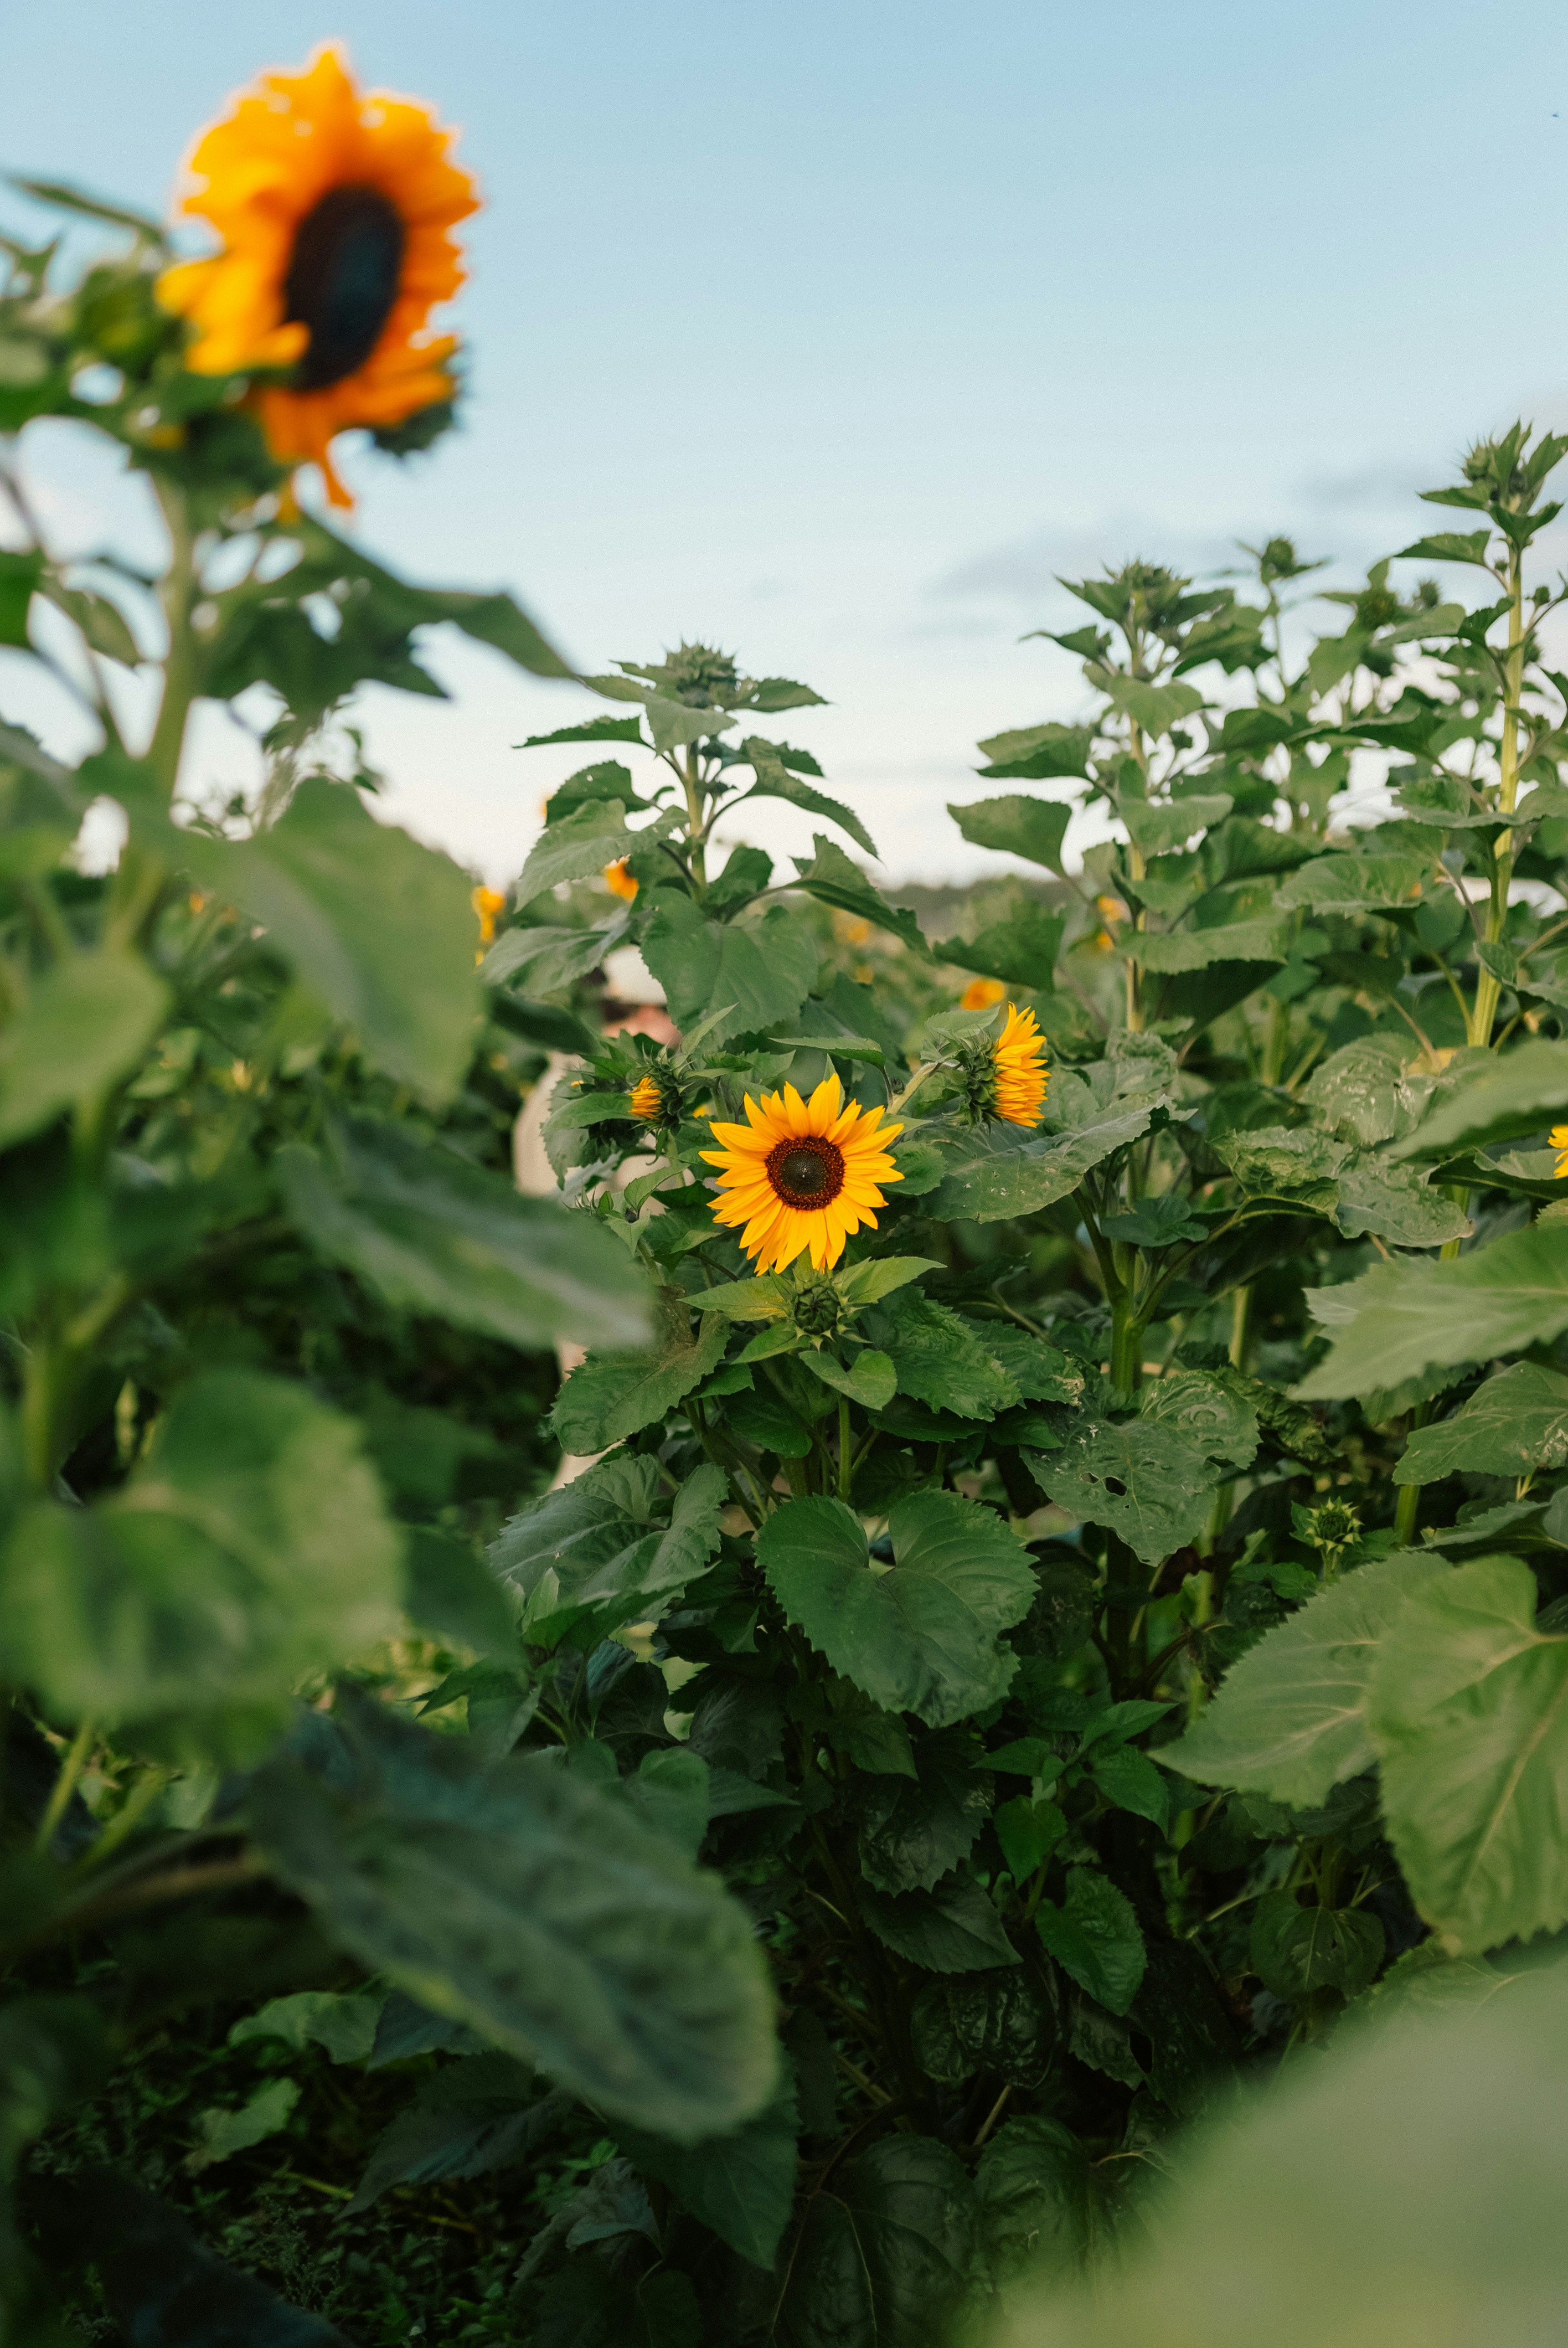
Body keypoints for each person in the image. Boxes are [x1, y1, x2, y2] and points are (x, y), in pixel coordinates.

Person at [513, 945, 679, 1485]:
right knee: (604, 1474)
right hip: (613, 1341)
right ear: (651, 1015)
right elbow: (569, 1237)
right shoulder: (575, 1103)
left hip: (646, 1338)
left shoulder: (627, 1091)